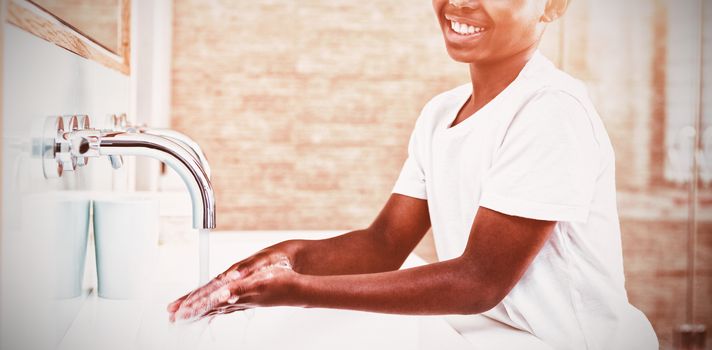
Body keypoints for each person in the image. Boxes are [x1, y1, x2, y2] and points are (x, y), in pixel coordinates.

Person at [168, 0, 659, 348]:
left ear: (553, 5)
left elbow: (478, 282)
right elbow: (382, 244)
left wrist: (298, 290)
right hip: (492, 335)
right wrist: (284, 258)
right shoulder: (442, 113)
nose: (461, 3)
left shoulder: (551, 110)